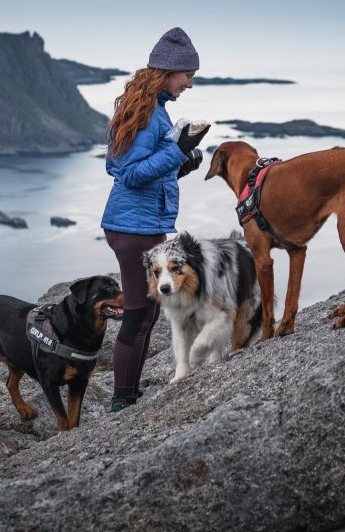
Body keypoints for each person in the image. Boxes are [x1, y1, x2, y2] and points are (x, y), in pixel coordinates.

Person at [101, 27, 211, 412]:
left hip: (139, 223)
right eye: (188, 75)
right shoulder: (147, 113)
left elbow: (144, 172)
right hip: (133, 229)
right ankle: (122, 400)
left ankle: (127, 394)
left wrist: (183, 161)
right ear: (168, 71)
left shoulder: (151, 109)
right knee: (138, 315)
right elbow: (128, 174)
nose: (190, 84)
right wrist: (177, 150)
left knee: (145, 313)